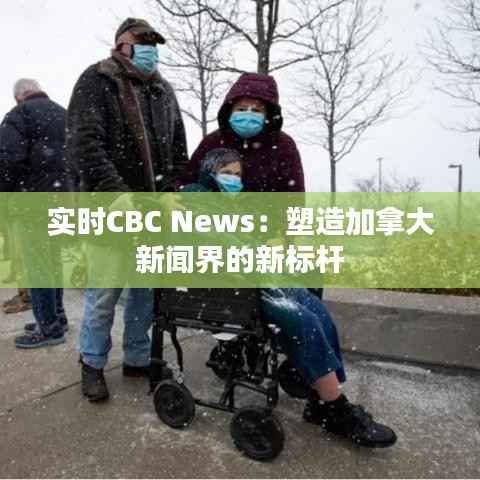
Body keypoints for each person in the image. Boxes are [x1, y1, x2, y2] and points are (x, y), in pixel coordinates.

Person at [185, 77, 397, 448]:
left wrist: (276, 239)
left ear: (269, 113)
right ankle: (333, 404)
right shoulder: (202, 190)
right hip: (232, 284)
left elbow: (289, 201)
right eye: (241, 108)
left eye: (257, 109)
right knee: (301, 320)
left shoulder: (278, 151)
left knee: (315, 307)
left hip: (259, 270)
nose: (248, 114)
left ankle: (320, 394)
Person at [67, 18, 188, 402]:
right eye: (143, 41)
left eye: (154, 43)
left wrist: (171, 191)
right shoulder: (97, 80)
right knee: (104, 292)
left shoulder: (162, 90)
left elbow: (178, 148)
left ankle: (137, 357)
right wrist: (115, 192)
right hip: (112, 208)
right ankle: (92, 362)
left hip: (152, 213)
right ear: (122, 44)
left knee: (144, 294)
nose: (151, 48)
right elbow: (85, 143)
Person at [0, 78, 72, 348]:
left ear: (19, 96)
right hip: (63, 200)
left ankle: (49, 328)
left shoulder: (18, 115)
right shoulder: (64, 114)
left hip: (33, 202)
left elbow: (8, 161)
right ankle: (57, 317)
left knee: (37, 265)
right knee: (53, 260)